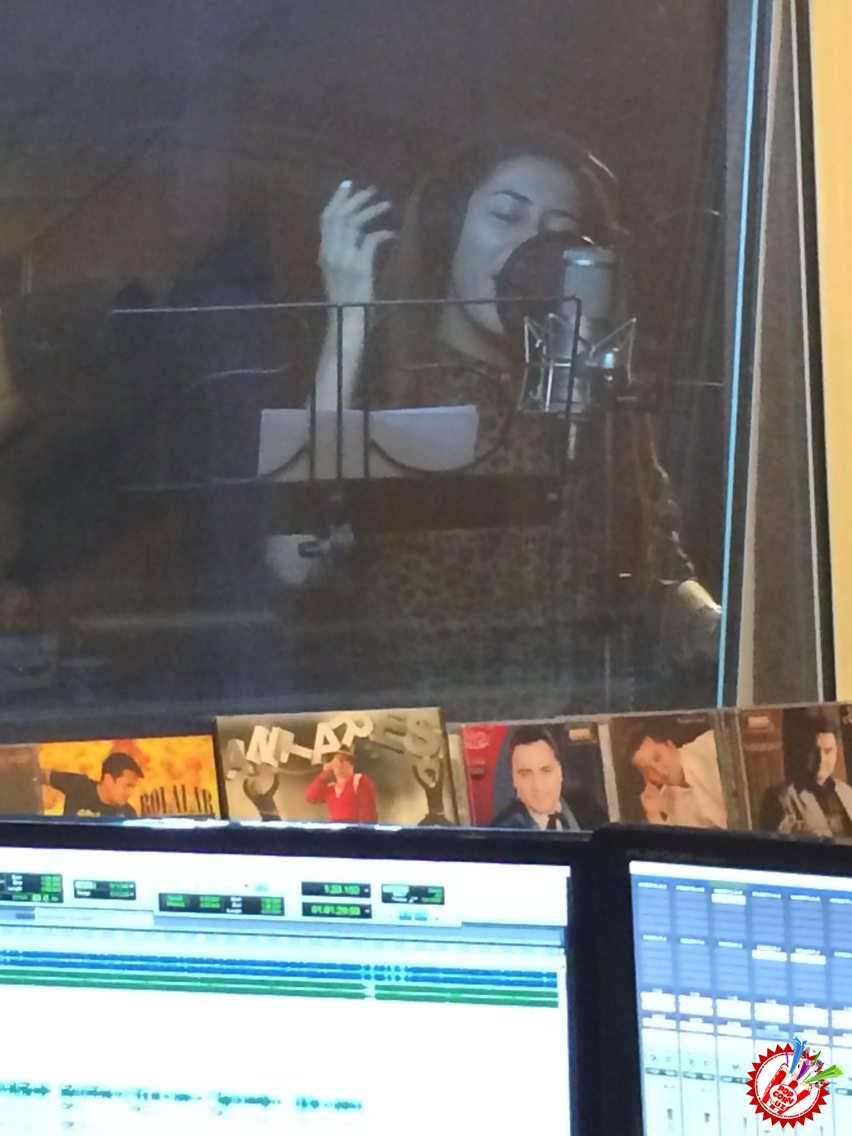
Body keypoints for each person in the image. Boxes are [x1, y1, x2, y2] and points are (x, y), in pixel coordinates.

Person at [299, 127, 720, 720]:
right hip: (416, 747)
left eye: (557, 232)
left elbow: (662, 572)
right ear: (448, 232)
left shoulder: (594, 405)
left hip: (568, 745)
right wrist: (347, 321)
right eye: (506, 216)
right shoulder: (374, 388)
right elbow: (292, 559)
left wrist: (724, 634)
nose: (530, 249)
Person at [492, 724, 608, 831]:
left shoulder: (588, 807)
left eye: (545, 771)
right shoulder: (503, 831)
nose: (538, 786)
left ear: (560, 771)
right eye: (526, 774)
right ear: (514, 779)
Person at [759, 714, 852, 837]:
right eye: (815, 752)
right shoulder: (779, 798)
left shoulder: (847, 792)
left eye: (828, 751)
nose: (821, 759)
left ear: (836, 753)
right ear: (803, 752)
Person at [628, 722, 727, 828]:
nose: (659, 771)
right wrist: (654, 815)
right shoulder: (671, 800)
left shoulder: (712, 745)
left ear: (670, 745)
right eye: (649, 770)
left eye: (657, 758)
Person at [44, 750, 143, 818]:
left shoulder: (128, 814)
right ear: (108, 779)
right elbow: (41, 776)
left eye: (132, 787)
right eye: (127, 786)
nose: (130, 793)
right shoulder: (78, 784)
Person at [304, 748, 378, 823]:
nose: (339, 763)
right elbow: (311, 797)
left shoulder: (360, 781)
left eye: (343, 759)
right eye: (336, 760)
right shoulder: (331, 788)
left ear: (351, 764)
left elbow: (369, 815)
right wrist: (325, 773)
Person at [412, 761, 449, 825]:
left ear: (430, 777)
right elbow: (418, 778)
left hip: (440, 816)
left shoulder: (438, 785)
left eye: (426, 776)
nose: (425, 778)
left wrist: (441, 761)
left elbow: (441, 774)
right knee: (419, 827)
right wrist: (414, 767)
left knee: (451, 828)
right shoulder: (427, 787)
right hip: (431, 816)